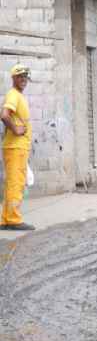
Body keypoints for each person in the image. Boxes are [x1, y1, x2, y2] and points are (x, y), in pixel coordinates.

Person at [1, 65, 34, 231]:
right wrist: (15, 129)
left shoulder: (18, 95)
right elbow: (4, 115)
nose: (23, 79)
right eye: (20, 76)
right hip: (15, 147)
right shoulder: (13, 95)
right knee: (16, 183)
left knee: (12, 183)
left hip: (17, 147)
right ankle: (13, 219)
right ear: (13, 78)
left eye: (25, 77)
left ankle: (6, 219)